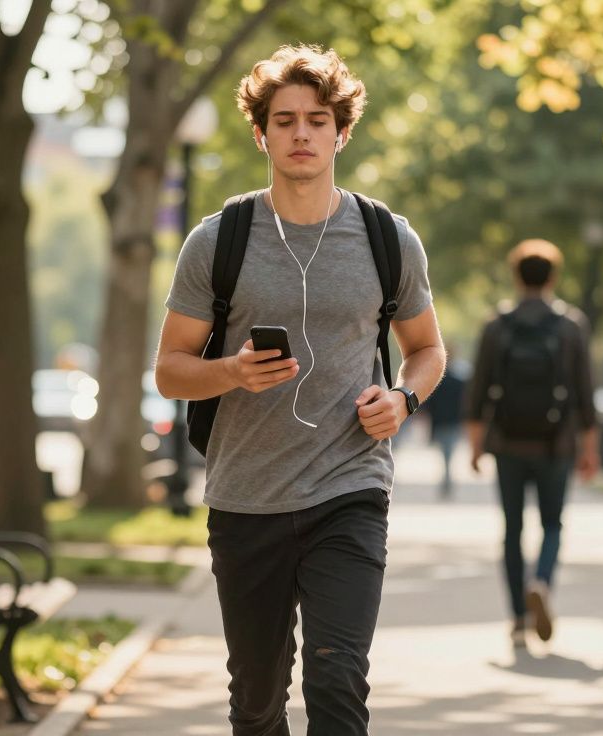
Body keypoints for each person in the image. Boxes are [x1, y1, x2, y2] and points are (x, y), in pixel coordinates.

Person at [154, 45, 444, 736]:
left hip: (349, 491)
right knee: (256, 704)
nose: (302, 134)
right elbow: (169, 367)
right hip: (246, 497)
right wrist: (229, 372)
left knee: (337, 676)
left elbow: (427, 350)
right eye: (284, 121)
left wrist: (403, 400)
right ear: (261, 134)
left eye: (317, 119)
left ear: (341, 131)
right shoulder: (217, 241)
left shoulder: (387, 239)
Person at [466, 239, 600, 647]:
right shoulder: (570, 325)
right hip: (555, 443)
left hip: (507, 442)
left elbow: (479, 390)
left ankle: (519, 619)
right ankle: (540, 580)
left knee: (512, 528)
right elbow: (584, 393)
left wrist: (475, 447)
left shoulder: (497, 325)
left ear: (516, 276)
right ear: (553, 277)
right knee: (552, 523)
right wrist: (590, 449)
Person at [424, 344, 466, 498]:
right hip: (454, 423)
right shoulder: (459, 382)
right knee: (449, 454)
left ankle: (446, 481)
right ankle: (447, 480)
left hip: (440, 423)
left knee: (445, 454)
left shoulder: (436, 383)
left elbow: (429, 405)